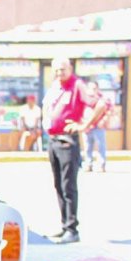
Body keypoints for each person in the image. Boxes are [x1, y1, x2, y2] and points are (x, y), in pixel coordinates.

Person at [43, 58, 91, 244]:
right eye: (56, 70)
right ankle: (65, 226)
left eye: (62, 69)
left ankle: (72, 229)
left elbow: (100, 103)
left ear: (70, 68)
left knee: (68, 186)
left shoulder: (77, 85)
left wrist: (84, 124)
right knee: (58, 186)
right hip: (53, 140)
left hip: (67, 140)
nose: (59, 73)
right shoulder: (57, 86)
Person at [84, 80, 111, 172]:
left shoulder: (103, 99)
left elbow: (109, 110)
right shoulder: (84, 99)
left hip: (98, 126)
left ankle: (101, 165)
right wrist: (84, 124)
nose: (92, 90)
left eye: (94, 88)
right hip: (87, 127)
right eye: (90, 88)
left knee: (101, 146)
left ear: (97, 89)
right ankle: (88, 164)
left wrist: (104, 120)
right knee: (87, 147)